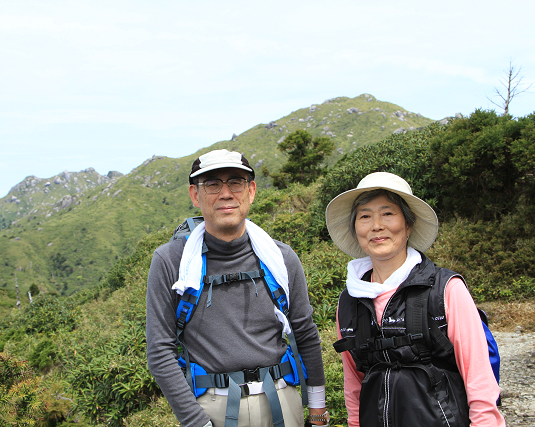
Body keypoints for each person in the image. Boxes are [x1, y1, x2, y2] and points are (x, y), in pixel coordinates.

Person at [146, 149, 328, 427]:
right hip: (212, 409)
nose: (226, 193)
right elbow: (160, 351)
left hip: (282, 401)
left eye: (235, 182)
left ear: (251, 191)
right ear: (195, 195)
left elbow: (305, 332)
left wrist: (317, 409)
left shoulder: (281, 257)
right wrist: (196, 422)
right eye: (212, 184)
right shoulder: (171, 261)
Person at [326, 172, 505, 427]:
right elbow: (355, 382)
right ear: (356, 229)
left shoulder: (446, 290)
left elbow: (480, 381)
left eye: (388, 213)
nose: (376, 225)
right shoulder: (350, 301)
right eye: (365, 216)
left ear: (408, 225)